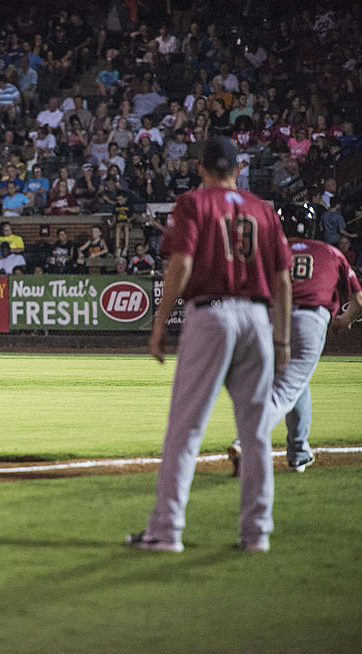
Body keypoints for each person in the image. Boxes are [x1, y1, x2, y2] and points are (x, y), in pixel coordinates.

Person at [128, 137, 293, 553]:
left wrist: (159, 323)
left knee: (185, 429)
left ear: (201, 169)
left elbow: (182, 262)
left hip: (211, 315)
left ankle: (166, 532)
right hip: (257, 318)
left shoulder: (193, 202)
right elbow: (283, 279)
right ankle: (257, 534)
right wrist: (284, 338)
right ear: (239, 170)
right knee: (255, 434)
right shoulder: (263, 209)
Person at [227, 204, 362, 476]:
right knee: (287, 388)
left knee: (296, 383)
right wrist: (344, 321)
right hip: (309, 321)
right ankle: (245, 440)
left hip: (269, 319)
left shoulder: (269, 252)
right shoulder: (331, 251)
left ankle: (298, 452)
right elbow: (358, 300)